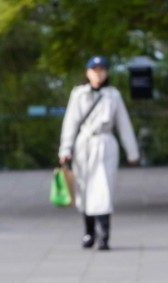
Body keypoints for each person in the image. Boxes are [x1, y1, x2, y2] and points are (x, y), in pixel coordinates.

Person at [58, 55, 139, 251]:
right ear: (88, 73)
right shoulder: (78, 94)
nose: (98, 74)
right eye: (95, 70)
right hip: (84, 144)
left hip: (105, 144)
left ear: (107, 72)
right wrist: (65, 148)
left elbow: (123, 124)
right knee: (84, 188)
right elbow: (71, 123)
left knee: (104, 189)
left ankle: (104, 235)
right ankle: (89, 232)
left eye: (102, 70)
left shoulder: (113, 95)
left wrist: (132, 151)